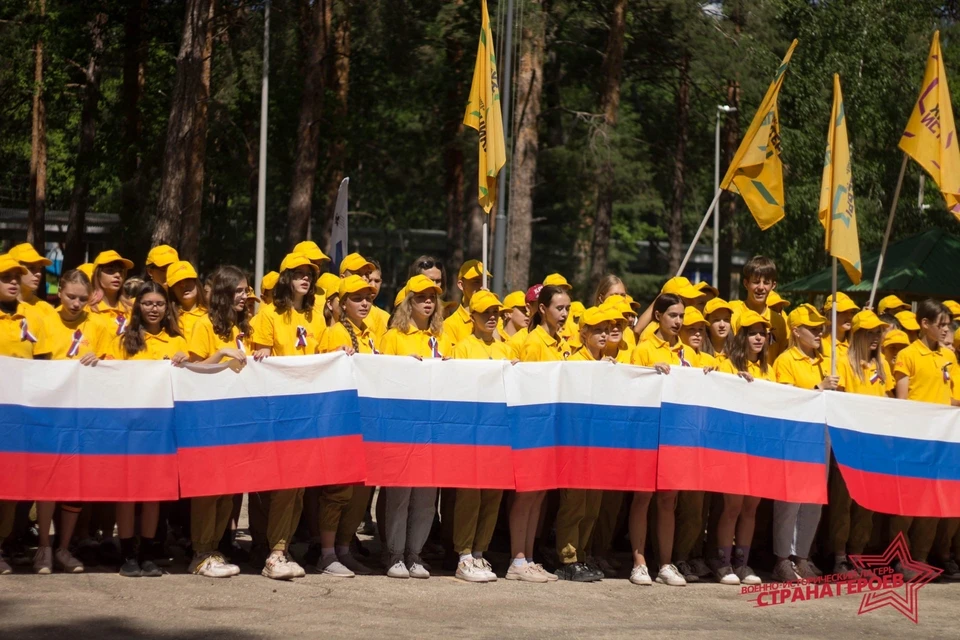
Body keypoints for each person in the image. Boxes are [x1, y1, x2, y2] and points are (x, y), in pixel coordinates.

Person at [32, 268, 115, 574]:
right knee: (49, 481)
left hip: (86, 414)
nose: (76, 303)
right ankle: (43, 547)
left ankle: (64, 548)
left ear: (92, 296)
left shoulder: (100, 324)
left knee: (75, 483)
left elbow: (113, 364)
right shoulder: (44, 321)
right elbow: (35, 366)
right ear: (59, 291)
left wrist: (100, 361)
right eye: (70, 296)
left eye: (82, 298)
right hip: (51, 414)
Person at [249, 253, 326, 580]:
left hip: (306, 412)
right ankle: (274, 551)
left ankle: (282, 546)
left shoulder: (317, 318)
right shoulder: (268, 315)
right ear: (286, 278)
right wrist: (262, 353)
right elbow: (259, 353)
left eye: (309, 275)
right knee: (283, 483)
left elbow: (322, 358)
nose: (305, 279)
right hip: (277, 412)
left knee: (297, 487)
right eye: (298, 274)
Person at [115, 281, 189, 578]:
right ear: (138, 306)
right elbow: (107, 377)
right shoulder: (123, 340)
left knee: (152, 494)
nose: (154, 308)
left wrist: (186, 361)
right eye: (147, 303)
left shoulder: (176, 341)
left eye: (159, 303)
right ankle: (127, 555)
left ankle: (147, 553)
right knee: (128, 494)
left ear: (166, 307)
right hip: (129, 428)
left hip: (161, 430)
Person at [378, 274, 449, 579]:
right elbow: (379, 377)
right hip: (401, 426)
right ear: (409, 301)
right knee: (400, 495)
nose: (428, 302)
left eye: (432, 296)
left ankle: (415, 554)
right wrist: (402, 365)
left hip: (433, 427)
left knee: (426, 498)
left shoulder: (444, 337)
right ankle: (394, 554)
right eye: (421, 297)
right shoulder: (394, 336)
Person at [311, 274, 380, 578]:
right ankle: (326, 554)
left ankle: (342, 549)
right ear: (342, 303)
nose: (365, 302)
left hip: (365, 423)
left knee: (360, 492)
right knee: (337, 491)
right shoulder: (334, 332)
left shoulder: (369, 333)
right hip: (341, 424)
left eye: (368, 297)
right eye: (357, 298)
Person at [186, 265, 250, 579]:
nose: (245, 296)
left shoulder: (240, 326)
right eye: (239, 290)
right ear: (224, 292)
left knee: (227, 489)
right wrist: (223, 352)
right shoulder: (202, 325)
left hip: (234, 419)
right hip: (208, 418)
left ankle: (213, 548)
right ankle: (199, 553)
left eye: (246, 290)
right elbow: (193, 368)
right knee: (208, 489)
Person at [506, 285, 573, 584]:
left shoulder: (559, 341)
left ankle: (529, 557)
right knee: (526, 497)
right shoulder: (534, 343)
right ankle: (517, 559)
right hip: (532, 429)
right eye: (560, 308)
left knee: (540, 496)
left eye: (568, 309)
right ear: (542, 309)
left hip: (550, 429)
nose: (565, 314)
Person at [889, 299, 959, 579]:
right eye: (940, 325)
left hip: (941, 440)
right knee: (907, 504)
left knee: (932, 502)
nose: (946, 330)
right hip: (915, 439)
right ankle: (898, 558)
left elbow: (950, 397)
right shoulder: (908, 355)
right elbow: (903, 399)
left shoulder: (949, 357)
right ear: (924, 324)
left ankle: (920, 558)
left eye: (948, 325)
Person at [553, 306, 623, 583]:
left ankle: (581, 555)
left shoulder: (609, 363)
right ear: (583, 333)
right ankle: (567, 559)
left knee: (592, 507)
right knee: (574, 505)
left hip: (599, 446)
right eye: (598, 330)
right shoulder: (573, 363)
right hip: (576, 446)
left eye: (607, 329)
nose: (605, 334)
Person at [771, 304, 840, 581]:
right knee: (789, 500)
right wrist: (819, 389)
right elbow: (786, 400)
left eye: (820, 328)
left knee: (813, 498)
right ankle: (781, 558)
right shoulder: (785, 360)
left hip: (821, 435)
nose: (818, 333)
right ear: (796, 331)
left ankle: (802, 555)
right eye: (812, 328)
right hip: (794, 437)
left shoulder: (826, 360)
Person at [449, 290, 514, 583]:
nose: (492, 317)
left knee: (493, 495)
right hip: (472, 432)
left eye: (496, 313)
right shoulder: (462, 347)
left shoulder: (506, 349)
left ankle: (479, 551)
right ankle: (463, 554)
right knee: (470, 495)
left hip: (499, 432)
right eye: (486, 313)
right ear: (472, 316)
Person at [709, 310, 773, 586]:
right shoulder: (724, 365)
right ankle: (723, 563)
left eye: (762, 333)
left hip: (759, 445)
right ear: (742, 336)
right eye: (752, 332)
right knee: (733, 506)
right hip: (733, 445)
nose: (758, 338)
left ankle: (742, 564)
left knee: (751, 507)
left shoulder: (770, 369)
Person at [0, 254, 54, 575]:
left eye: (14, 277)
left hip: (17, 418)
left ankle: (2, 545)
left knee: (7, 487)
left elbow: (44, 366)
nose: (11, 281)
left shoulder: (30, 319)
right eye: (4, 276)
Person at [827, 310, 892, 577]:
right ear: (857, 334)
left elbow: (888, 402)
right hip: (848, 446)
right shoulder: (842, 362)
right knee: (843, 504)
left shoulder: (883, 365)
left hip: (874, 446)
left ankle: (858, 556)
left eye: (878, 332)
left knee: (867, 505)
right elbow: (839, 403)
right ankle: (839, 557)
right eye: (869, 332)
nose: (875, 337)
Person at [629, 293, 687, 586]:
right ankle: (639, 563)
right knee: (643, 497)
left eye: (681, 316)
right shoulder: (643, 348)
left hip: (675, 437)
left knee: (668, 500)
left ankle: (665, 563)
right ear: (658, 316)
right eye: (672, 315)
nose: (677, 321)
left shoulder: (686, 351)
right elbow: (632, 386)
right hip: (647, 434)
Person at [729, 256, 789, 364]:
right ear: (746, 283)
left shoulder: (779, 321)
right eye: (756, 282)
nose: (761, 287)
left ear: (773, 285)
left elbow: (781, 358)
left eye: (766, 283)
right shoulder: (733, 314)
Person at [442, 260, 488, 352]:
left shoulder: (495, 318)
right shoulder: (450, 324)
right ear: (461, 285)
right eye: (476, 282)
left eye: (485, 281)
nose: (482, 286)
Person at [88, 250, 135, 335]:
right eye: (110, 270)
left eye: (121, 271)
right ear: (97, 275)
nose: (117, 275)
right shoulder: (88, 309)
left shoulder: (131, 309)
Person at [8, 243, 56, 324]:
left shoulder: (46, 310)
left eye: (39, 268)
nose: (39, 273)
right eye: (31, 268)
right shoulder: (3, 308)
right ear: (15, 269)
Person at [166, 261, 207, 341]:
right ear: (172, 290)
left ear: (196, 282)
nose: (184, 285)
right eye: (177, 282)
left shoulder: (211, 315)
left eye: (188, 279)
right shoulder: (167, 319)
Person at [821, 292, 859, 360]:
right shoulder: (819, 345)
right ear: (831, 315)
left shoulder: (855, 345)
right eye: (844, 312)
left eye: (852, 312)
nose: (850, 317)